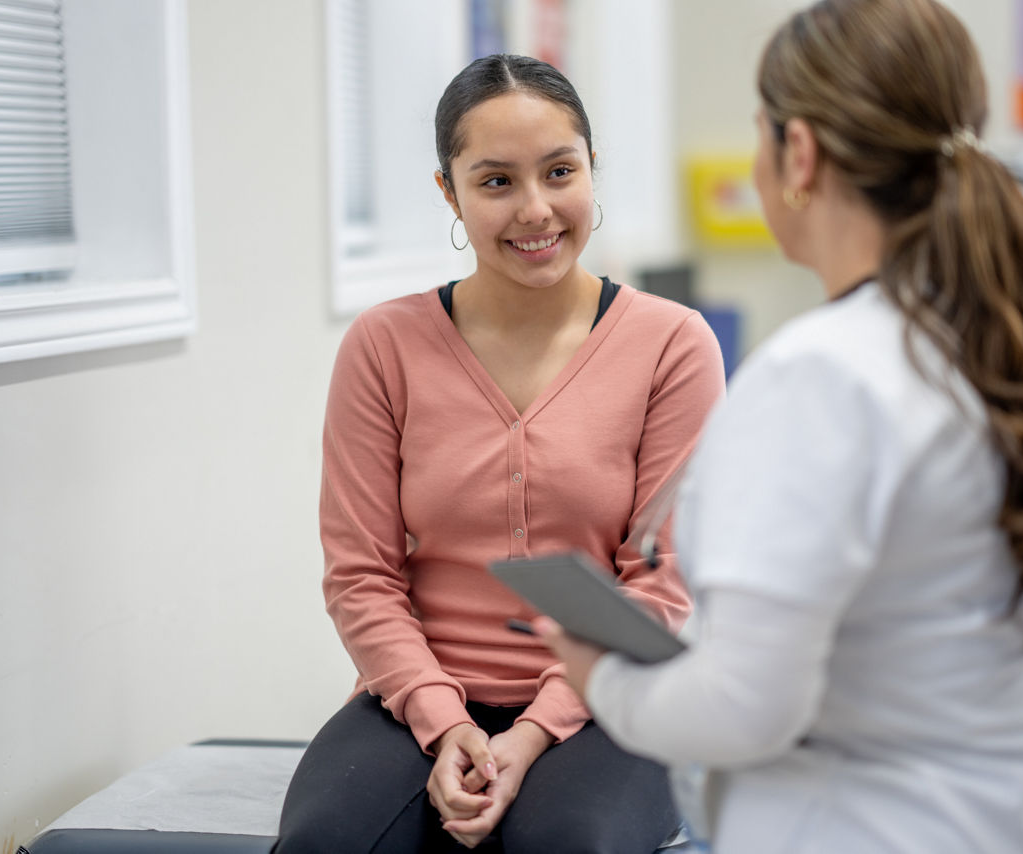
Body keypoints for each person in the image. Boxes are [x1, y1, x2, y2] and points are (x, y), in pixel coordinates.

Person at [539, 2, 1023, 852]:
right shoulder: (1001, 343)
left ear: (801, 155)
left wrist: (601, 679)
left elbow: (742, 710)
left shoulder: (820, 375)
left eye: (760, 134)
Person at [276, 54, 725, 853]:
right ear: (449, 191)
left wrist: (531, 735)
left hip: (611, 699)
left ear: (593, 169)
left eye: (560, 171)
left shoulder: (672, 345)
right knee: (326, 842)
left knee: (565, 844)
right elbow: (361, 573)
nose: (536, 210)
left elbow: (662, 584)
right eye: (495, 182)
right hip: (416, 700)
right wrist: (444, 722)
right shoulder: (384, 346)